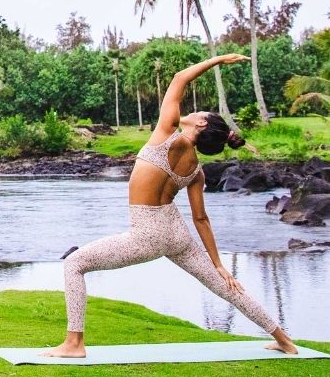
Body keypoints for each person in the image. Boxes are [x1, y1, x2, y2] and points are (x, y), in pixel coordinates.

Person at [44, 53, 298, 357]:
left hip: (148, 233)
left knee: (75, 264)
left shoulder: (166, 132)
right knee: (225, 286)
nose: (194, 110)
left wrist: (218, 60)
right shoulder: (196, 170)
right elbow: (201, 219)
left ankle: (74, 343)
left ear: (201, 122)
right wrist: (218, 264)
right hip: (175, 232)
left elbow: (180, 78)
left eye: (201, 111)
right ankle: (284, 340)